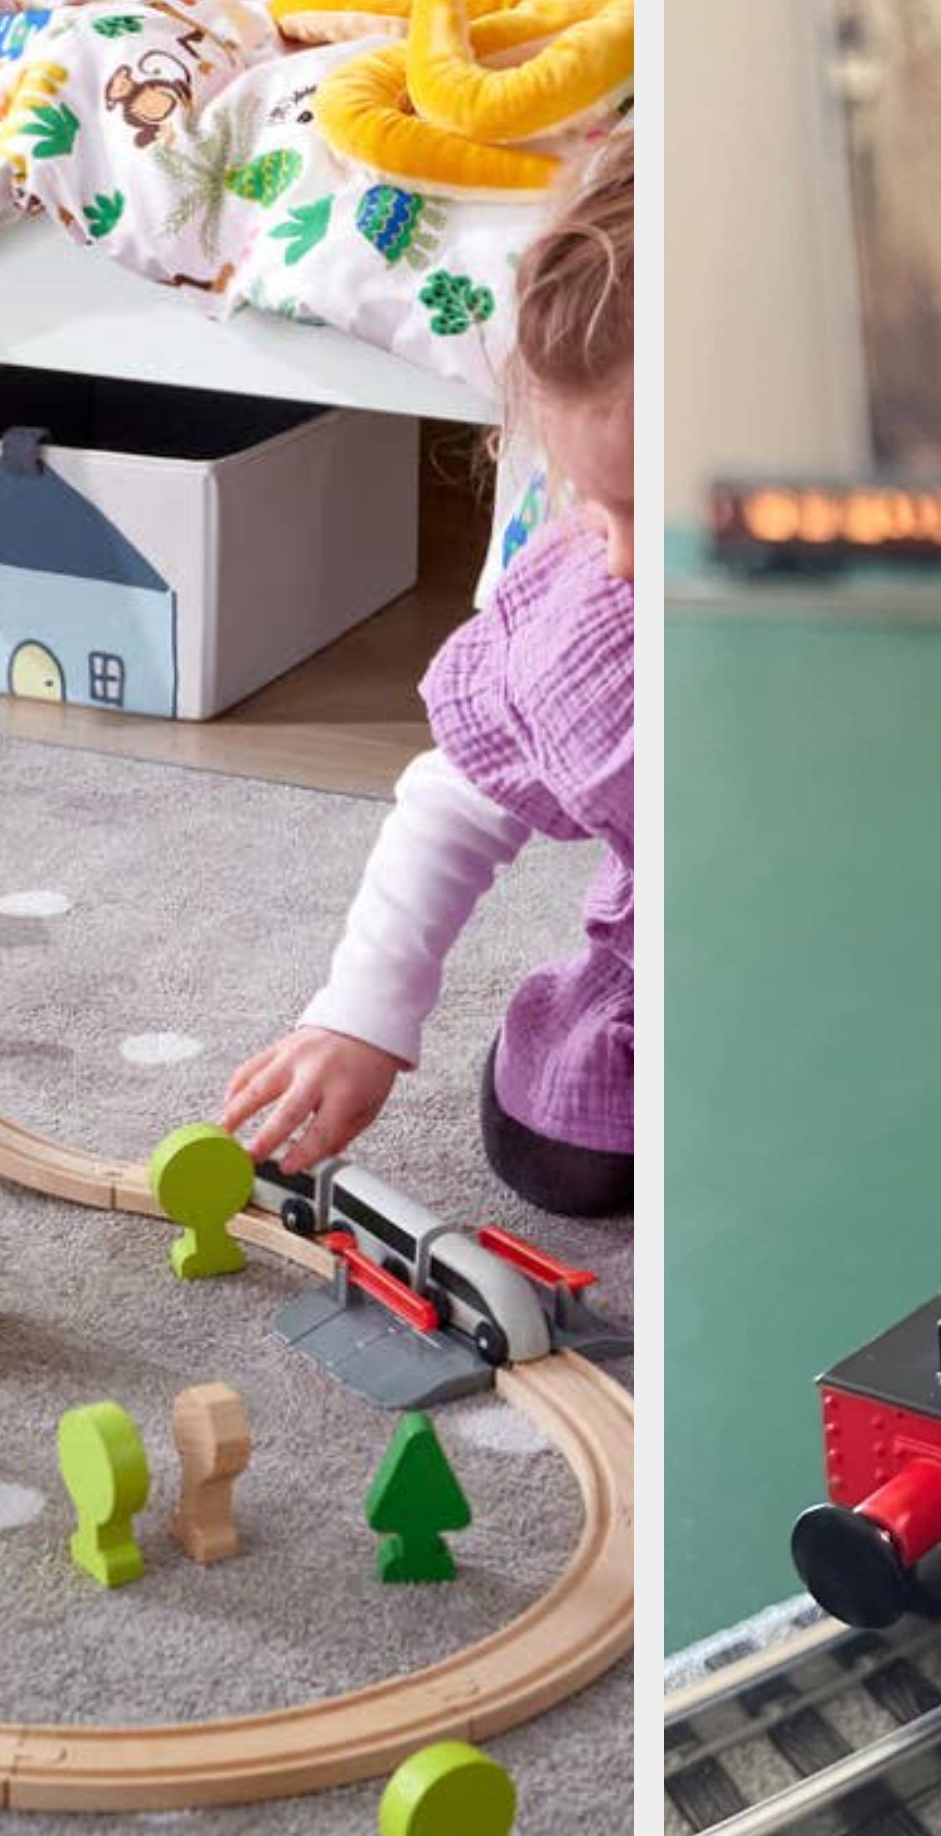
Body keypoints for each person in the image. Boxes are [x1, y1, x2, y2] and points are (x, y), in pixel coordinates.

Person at [222, 133, 634, 1218]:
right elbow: (459, 794)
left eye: (659, 518)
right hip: (679, 963)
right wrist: (364, 1010)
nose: (623, 556)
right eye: (597, 506)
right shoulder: (588, 608)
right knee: (558, 1153)